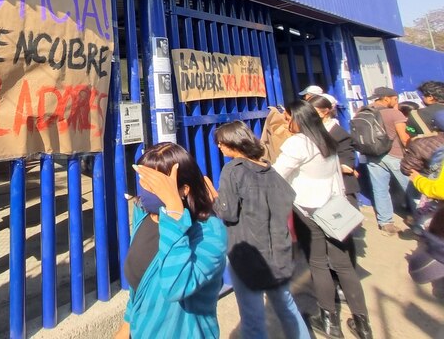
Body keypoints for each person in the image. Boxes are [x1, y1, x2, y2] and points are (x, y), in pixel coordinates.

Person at [274, 100, 372, 339]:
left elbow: (278, 174)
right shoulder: (326, 138)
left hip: (307, 210)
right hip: (334, 207)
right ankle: (362, 323)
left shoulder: (298, 143)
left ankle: (329, 321)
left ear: (296, 118)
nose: (287, 122)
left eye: (287, 118)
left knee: (318, 263)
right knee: (344, 264)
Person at [116, 143, 227, 339]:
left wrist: (174, 212)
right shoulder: (144, 215)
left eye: (157, 184)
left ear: (184, 189)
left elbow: (176, 286)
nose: (147, 189)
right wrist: (126, 328)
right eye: (144, 180)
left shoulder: (209, 232)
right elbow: (139, 287)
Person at [212, 121, 310, 339]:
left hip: (247, 253)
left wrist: (212, 197)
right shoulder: (268, 168)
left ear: (233, 142)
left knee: (252, 316)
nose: (219, 146)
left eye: (221, 142)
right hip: (277, 250)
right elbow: (287, 200)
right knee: (286, 306)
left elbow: (227, 213)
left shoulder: (232, 170)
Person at [363, 86, 412, 236]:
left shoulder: (364, 111)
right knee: (412, 189)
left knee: (380, 189)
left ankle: (385, 222)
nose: (396, 101)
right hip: (395, 155)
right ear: (386, 98)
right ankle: (420, 223)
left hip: (373, 155)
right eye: (395, 99)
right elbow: (404, 138)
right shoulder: (394, 113)